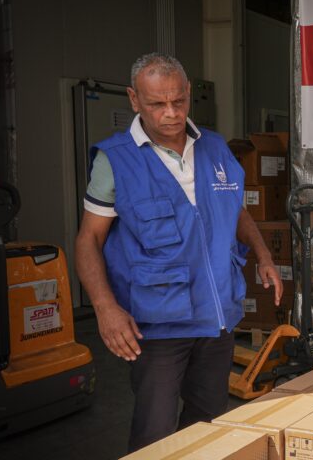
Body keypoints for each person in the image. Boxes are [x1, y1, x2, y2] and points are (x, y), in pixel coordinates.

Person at [74, 53, 282, 452]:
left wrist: (264, 255)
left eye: (178, 101)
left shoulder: (216, 148)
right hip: (157, 324)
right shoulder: (115, 160)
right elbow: (89, 240)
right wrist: (104, 307)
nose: (170, 113)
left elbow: (234, 209)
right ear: (134, 100)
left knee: (206, 424)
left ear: (188, 94)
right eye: (156, 104)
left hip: (217, 316)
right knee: (155, 434)